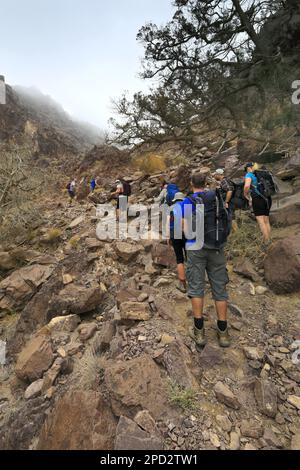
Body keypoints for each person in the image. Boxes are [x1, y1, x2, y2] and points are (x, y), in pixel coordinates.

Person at [179, 173, 231, 348]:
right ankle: (223, 332)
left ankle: (199, 331)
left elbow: (185, 230)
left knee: (196, 288)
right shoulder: (215, 198)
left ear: (191, 183)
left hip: (196, 249)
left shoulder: (188, 201)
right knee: (219, 288)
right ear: (205, 183)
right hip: (217, 247)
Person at [244, 162, 272, 244]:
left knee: (261, 221)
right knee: (266, 220)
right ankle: (268, 239)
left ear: (249, 168)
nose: (246, 171)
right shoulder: (262, 173)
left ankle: (266, 242)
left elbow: (246, 186)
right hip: (267, 198)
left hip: (258, 198)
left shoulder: (249, 175)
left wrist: (245, 194)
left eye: (246, 169)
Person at [169, 192, 187, 293]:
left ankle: (182, 283)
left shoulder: (171, 208)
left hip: (174, 233)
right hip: (187, 233)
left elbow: (168, 222)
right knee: (190, 257)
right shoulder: (188, 206)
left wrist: (168, 236)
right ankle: (194, 282)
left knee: (179, 258)